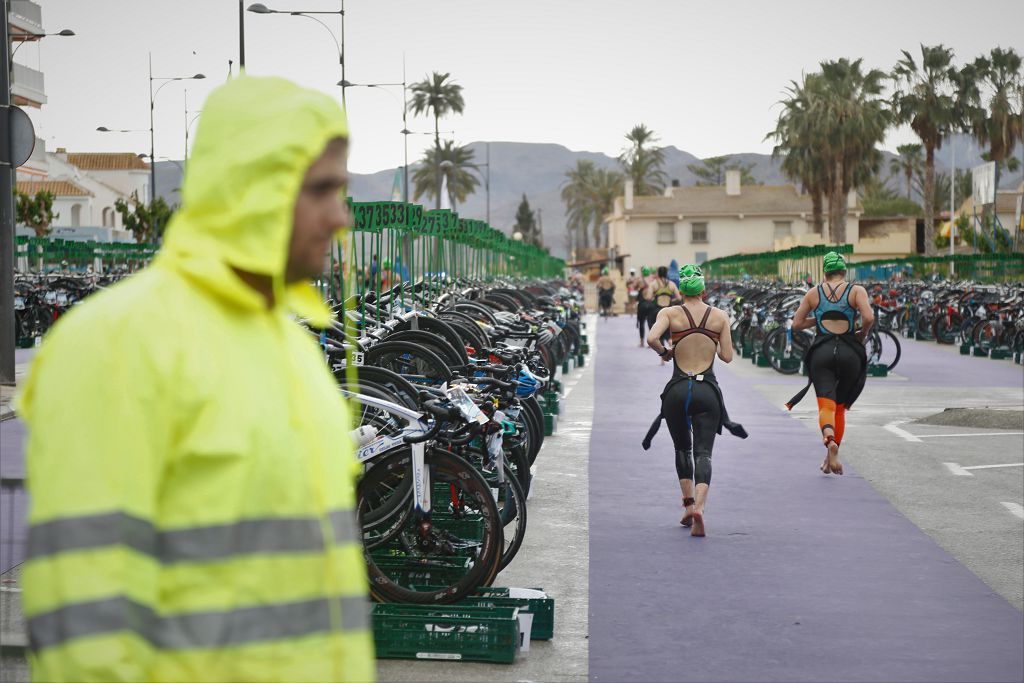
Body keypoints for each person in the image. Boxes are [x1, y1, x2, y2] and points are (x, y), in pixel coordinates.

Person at [16, 76, 375, 682]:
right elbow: (86, 624)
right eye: (321, 190)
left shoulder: (289, 346)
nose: (341, 216)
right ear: (250, 190)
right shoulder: (121, 343)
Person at [644, 265, 746, 537]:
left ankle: (688, 506)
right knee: (703, 453)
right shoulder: (720, 316)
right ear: (703, 290)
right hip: (706, 390)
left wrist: (665, 352)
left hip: (678, 389)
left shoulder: (669, 313)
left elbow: (652, 337)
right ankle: (701, 507)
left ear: (682, 292)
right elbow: (727, 356)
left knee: (682, 449)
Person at [786, 251, 874, 475]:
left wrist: (820, 318)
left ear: (824, 273)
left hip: (822, 352)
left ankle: (829, 441)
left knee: (826, 406)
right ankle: (830, 457)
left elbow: (796, 324)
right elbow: (869, 317)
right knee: (840, 409)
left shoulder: (814, 293)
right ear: (844, 271)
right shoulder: (856, 291)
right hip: (849, 353)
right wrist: (862, 333)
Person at [645, 266, 681, 363]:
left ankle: (662, 358)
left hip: (657, 310)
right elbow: (679, 297)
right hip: (668, 310)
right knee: (668, 335)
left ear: (658, 274)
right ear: (666, 274)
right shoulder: (671, 284)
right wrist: (671, 300)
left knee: (658, 334)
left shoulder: (654, 284)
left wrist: (654, 299)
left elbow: (648, 297)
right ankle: (673, 348)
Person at [636, 266, 654, 347]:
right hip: (650, 304)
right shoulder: (652, 280)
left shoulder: (640, 280)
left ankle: (642, 341)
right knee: (650, 323)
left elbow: (635, 287)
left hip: (642, 304)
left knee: (641, 323)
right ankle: (651, 342)